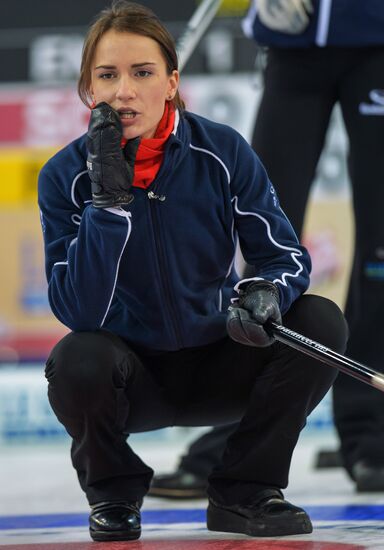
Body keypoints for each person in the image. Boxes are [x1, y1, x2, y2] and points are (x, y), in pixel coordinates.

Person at [38, 0, 348, 542]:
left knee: (319, 321)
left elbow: (284, 255)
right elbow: (77, 310)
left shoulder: (222, 150)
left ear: (172, 82)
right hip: (134, 379)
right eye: (107, 75)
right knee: (76, 359)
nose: (124, 92)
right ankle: (112, 494)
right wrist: (108, 207)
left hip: (221, 356)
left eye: (143, 73)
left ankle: (245, 491)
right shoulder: (64, 176)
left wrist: (267, 293)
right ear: (89, 89)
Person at [149, 0, 384, 499]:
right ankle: (230, 439)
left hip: (377, 39)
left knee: (380, 255)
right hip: (291, 42)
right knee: (263, 248)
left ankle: (372, 437)